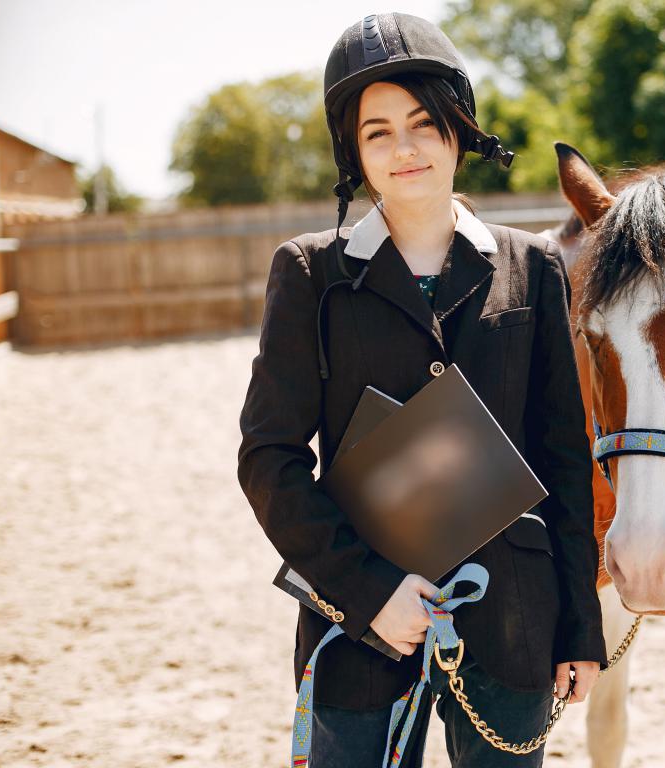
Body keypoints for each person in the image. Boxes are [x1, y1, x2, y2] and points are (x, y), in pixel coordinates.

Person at [236, 12, 606, 767]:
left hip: (513, 617)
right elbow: (268, 459)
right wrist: (367, 591)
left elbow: (565, 456)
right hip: (357, 625)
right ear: (354, 152)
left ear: (457, 128)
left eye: (421, 123)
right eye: (377, 132)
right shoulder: (309, 274)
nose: (403, 148)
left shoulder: (533, 267)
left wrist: (581, 628)